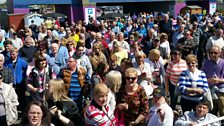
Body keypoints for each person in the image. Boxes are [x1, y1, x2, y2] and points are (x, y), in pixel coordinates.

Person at [201, 45, 224, 116]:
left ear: (219, 53)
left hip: (221, 90)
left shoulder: (223, 63)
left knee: (222, 110)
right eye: (211, 53)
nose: (213, 55)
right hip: (209, 90)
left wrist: (219, 80)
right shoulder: (206, 63)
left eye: (215, 53)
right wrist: (207, 80)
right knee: (211, 112)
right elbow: (201, 75)